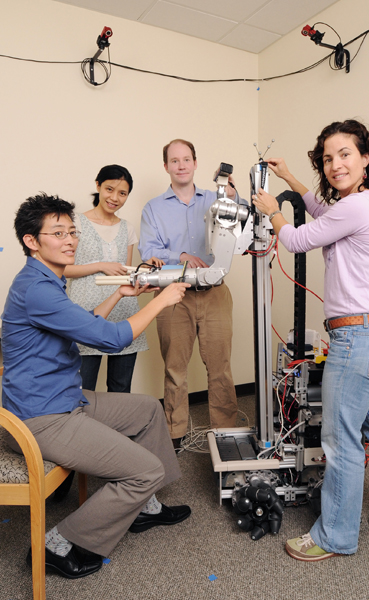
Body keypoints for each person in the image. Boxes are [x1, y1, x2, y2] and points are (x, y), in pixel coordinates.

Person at [1, 194, 191, 579]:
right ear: (31, 241)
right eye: (57, 233)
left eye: (72, 231)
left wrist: (118, 295)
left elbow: (83, 325)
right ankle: (56, 544)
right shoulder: (36, 288)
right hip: (42, 417)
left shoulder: (46, 280)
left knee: (148, 409)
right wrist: (162, 302)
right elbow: (111, 339)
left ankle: (144, 507)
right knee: (144, 470)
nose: (70, 240)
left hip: (66, 398)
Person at [252, 119, 369, 561]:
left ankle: (334, 537)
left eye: (345, 155)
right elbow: (321, 211)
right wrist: (290, 179)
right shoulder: (363, 203)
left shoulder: (359, 206)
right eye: (328, 158)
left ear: (366, 159)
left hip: (357, 339)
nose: (336, 165)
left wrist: (270, 208)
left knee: (341, 442)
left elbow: (296, 239)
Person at [138, 139, 246, 449]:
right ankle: (174, 434)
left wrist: (234, 195)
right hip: (174, 294)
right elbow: (149, 249)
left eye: (186, 159)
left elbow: (242, 226)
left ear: (196, 163)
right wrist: (181, 255)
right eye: (175, 161)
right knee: (175, 369)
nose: (181, 165)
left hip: (214, 293)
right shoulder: (153, 209)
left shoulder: (217, 198)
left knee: (221, 367)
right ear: (166, 167)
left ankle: (226, 434)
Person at [65, 164, 162, 393]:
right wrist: (100, 265)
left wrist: (145, 270)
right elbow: (63, 270)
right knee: (82, 388)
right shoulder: (75, 223)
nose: (115, 198)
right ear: (98, 186)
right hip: (85, 315)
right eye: (109, 189)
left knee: (121, 388)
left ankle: (118, 430)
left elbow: (126, 274)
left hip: (123, 313)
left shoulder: (127, 228)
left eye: (122, 193)